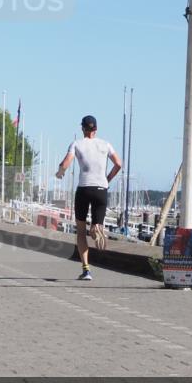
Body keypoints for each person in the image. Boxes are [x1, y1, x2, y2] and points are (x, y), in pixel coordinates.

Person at [55, 115, 122, 281]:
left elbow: (65, 163)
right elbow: (119, 164)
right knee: (96, 223)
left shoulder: (77, 144)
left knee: (80, 231)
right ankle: (96, 228)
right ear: (96, 129)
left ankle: (86, 270)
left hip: (84, 189)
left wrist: (60, 172)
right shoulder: (106, 144)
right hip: (101, 189)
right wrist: (107, 179)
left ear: (83, 129)